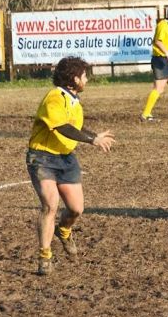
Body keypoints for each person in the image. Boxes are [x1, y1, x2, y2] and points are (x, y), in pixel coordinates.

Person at [26, 56, 115, 275]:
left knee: (76, 209)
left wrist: (93, 135)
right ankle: (44, 257)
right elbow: (62, 127)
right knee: (50, 205)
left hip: (66, 158)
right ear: (74, 79)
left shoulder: (73, 99)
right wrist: (93, 139)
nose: (87, 80)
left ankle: (64, 230)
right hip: (42, 157)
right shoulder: (55, 98)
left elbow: (73, 129)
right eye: (84, 76)